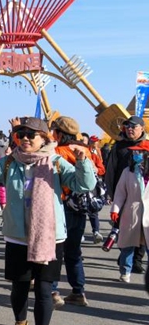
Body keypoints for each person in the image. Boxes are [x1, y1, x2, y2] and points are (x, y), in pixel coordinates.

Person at [0, 116, 95, 325]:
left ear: (44, 138)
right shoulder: (9, 162)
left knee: (45, 290)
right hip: (17, 236)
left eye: (31, 135)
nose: (25, 138)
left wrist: (83, 162)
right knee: (20, 287)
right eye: (21, 134)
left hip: (50, 236)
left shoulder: (56, 162)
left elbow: (83, 184)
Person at [50, 116, 103, 307]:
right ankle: (78, 292)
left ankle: (53, 291)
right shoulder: (86, 151)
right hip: (80, 207)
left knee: (55, 251)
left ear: (60, 133)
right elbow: (99, 171)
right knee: (73, 252)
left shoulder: (58, 152)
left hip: (61, 204)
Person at [104, 116, 147, 276]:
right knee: (124, 228)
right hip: (122, 192)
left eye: (133, 127)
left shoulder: (146, 146)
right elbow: (111, 169)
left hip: (143, 195)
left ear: (142, 128)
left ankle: (136, 260)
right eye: (127, 126)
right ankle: (125, 255)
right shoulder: (119, 146)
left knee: (143, 228)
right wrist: (111, 192)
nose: (130, 129)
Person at [111, 140, 149, 283]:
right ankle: (125, 271)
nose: (135, 154)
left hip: (148, 214)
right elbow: (120, 192)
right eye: (134, 152)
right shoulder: (129, 171)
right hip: (132, 211)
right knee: (128, 244)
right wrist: (115, 209)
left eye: (139, 152)